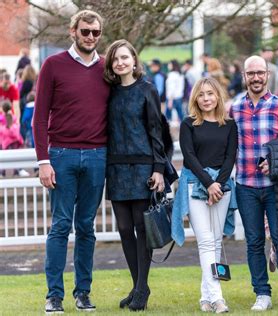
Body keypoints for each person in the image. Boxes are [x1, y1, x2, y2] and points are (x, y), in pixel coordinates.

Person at [33, 10, 109, 314]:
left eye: (95, 32)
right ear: (72, 31)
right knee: (60, 227)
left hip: (97, 156)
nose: (90, 36)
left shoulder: (107, 69)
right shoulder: (52, 65)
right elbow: (39, 118)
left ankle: (83, 293)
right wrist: (43, 161)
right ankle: (54, 296)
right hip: (61, 156)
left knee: (87, 227)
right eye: (85, 31)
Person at [103, 39, 174, 311]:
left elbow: (157, 131)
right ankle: (137, 286)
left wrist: (158, 168)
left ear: (134, 60)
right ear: (111, 64)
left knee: (141, 228)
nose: (120, 62)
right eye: (115, 59)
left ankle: (142, 288)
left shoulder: (147, 90)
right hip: (116, 167)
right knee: (123, 230)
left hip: (143, 166)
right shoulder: (109, 92)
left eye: (125, 57)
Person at [230, 55, 278, 311]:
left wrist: (275, 160)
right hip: (245, 185)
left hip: (276, 186)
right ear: (244, 77)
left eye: (260, 72)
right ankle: (262, 292)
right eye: (251, 73)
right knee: (254, 242)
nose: (256, 78)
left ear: (267, 75)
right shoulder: (235, 108)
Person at [173, 77, 238, 313]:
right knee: (206, 241)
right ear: (195, 99)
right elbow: (189, 157)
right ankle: (218, 298)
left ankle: (205, 297)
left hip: (223, 188)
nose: (206, 99)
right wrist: (208, 184)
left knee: (215, 241)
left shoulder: (229, 124)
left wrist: (218, 185)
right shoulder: (189, 124)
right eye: (201, 95)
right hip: (195, 185)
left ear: (218, 96)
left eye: (210, 94)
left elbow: (230, 158)